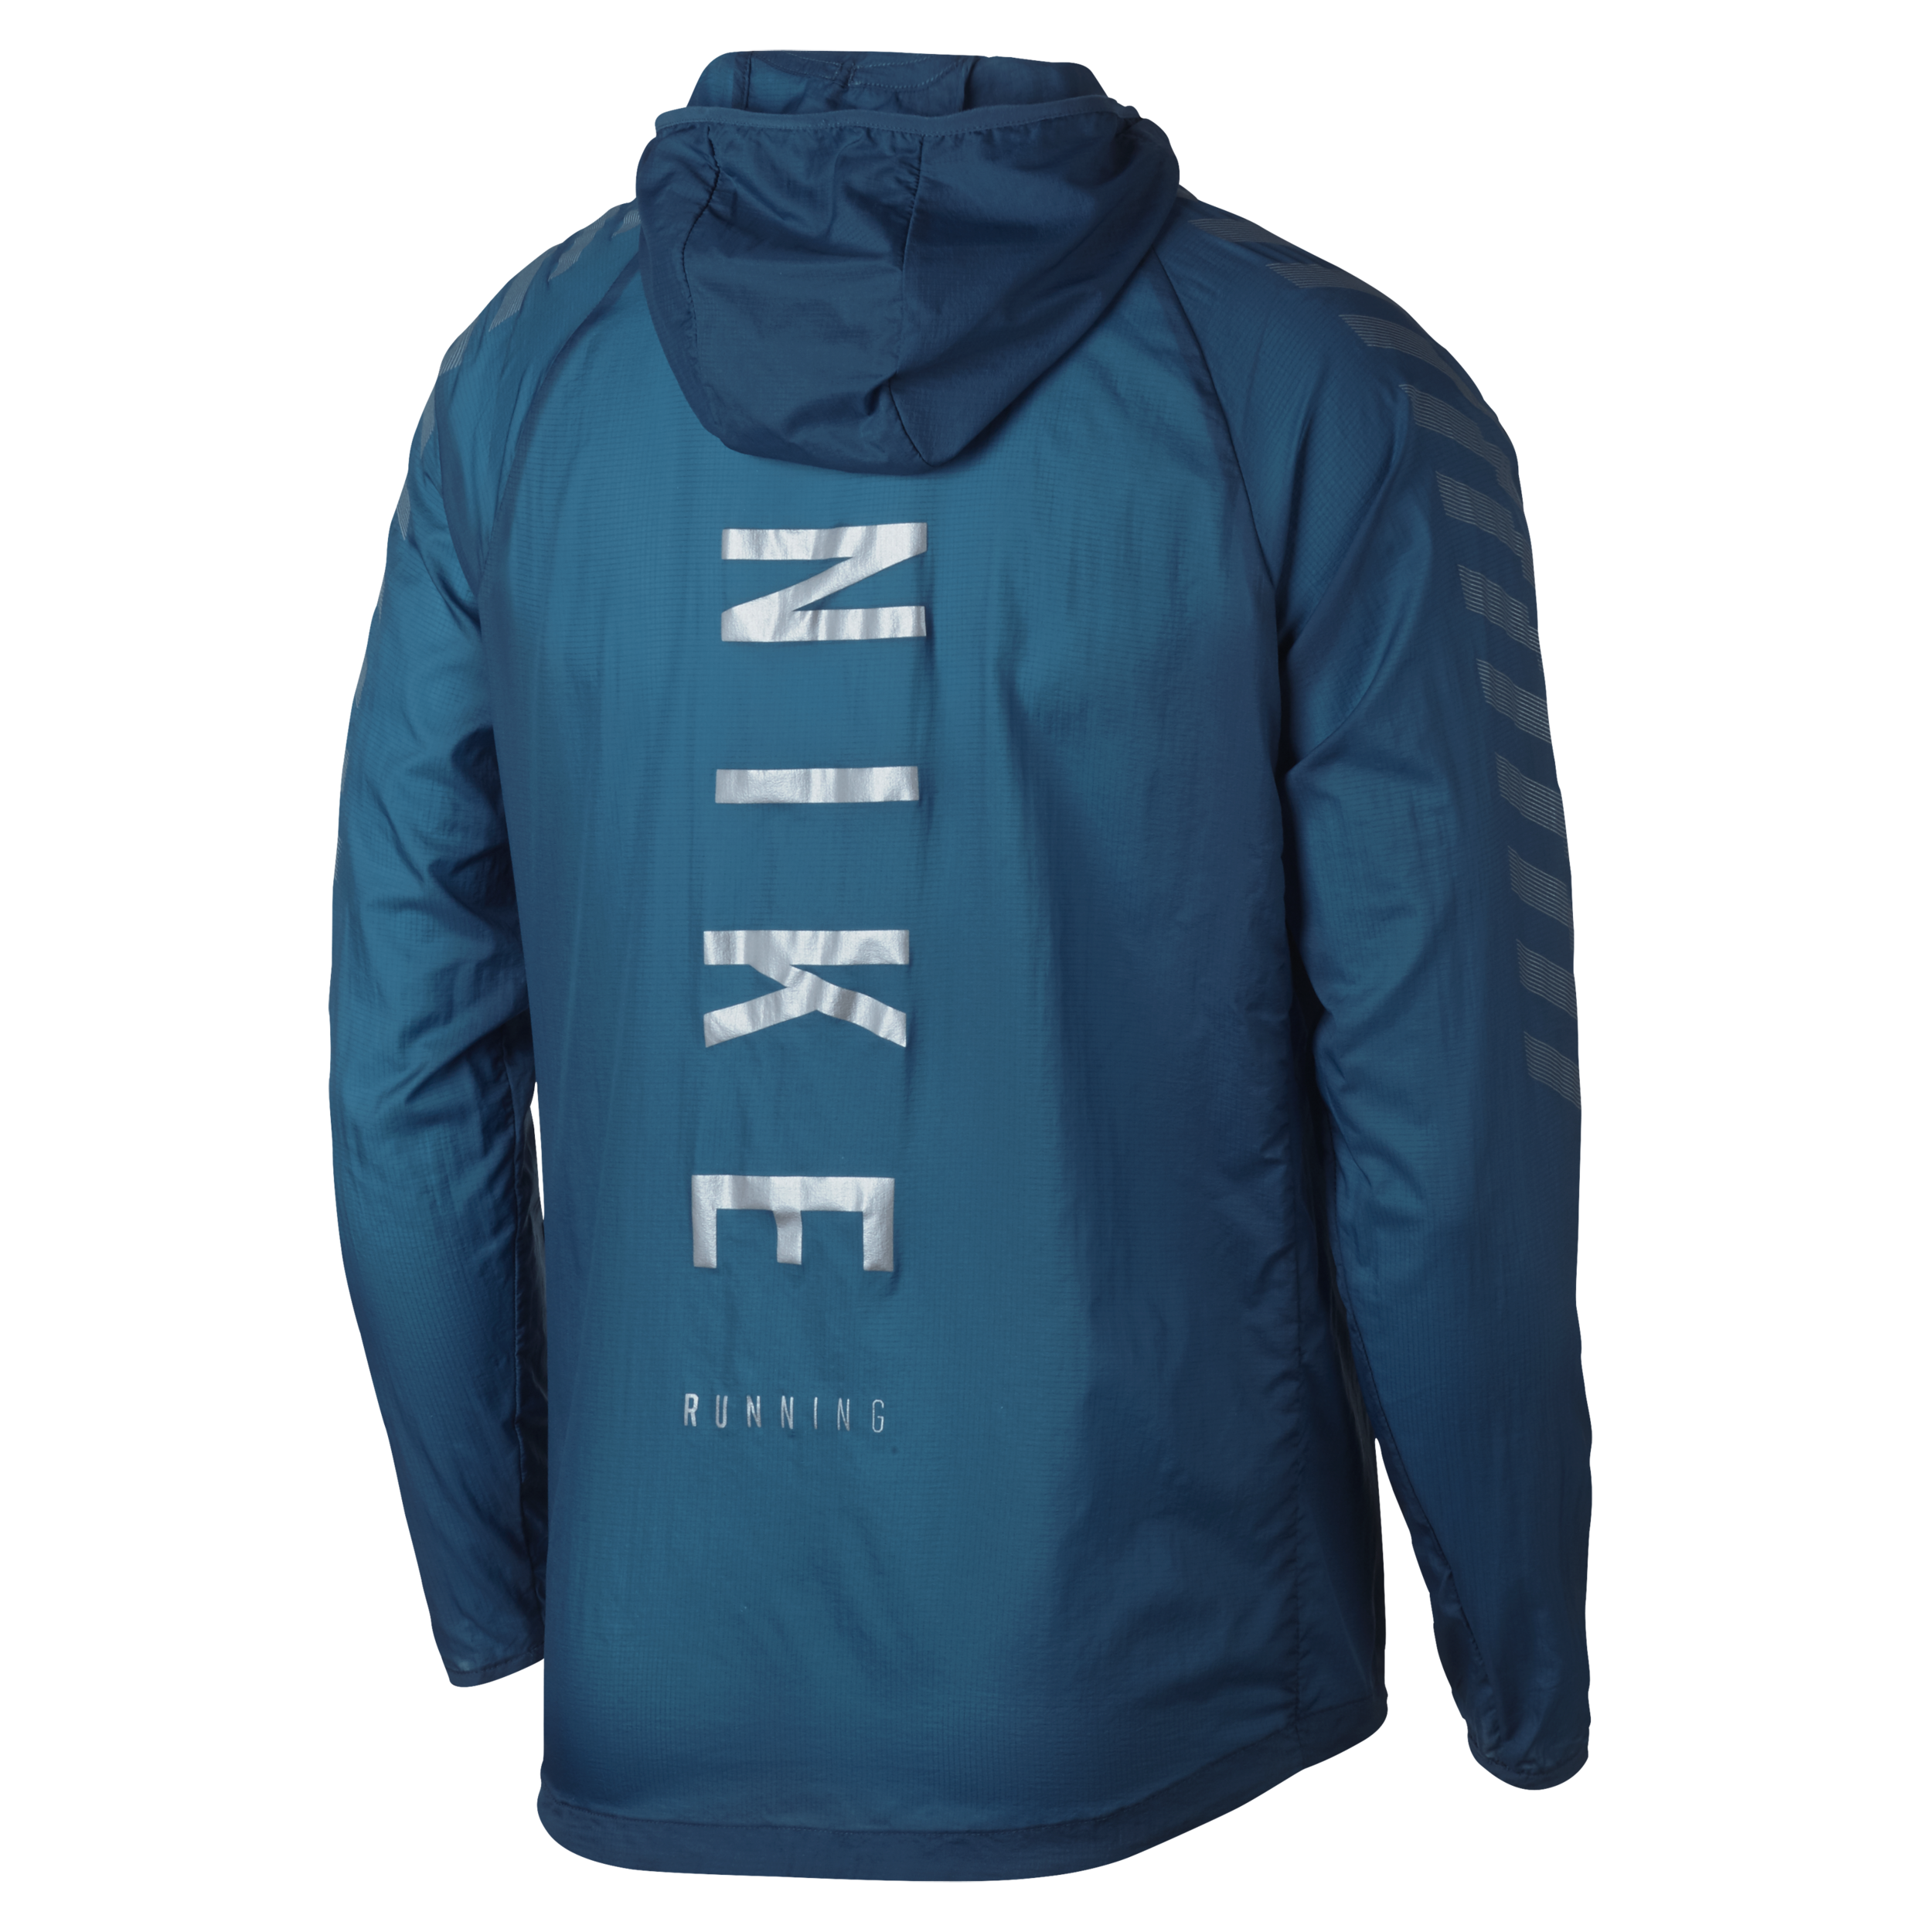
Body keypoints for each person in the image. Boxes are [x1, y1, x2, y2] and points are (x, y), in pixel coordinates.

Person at [329, 47, 1595, 1883]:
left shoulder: (514, 384)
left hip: (659, 1676)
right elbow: (1444, 1114)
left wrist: (492, 1598)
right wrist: (1531, 1664)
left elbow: (405, 1071)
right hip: (1163, 1691)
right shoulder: (1292, 381)